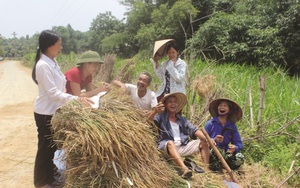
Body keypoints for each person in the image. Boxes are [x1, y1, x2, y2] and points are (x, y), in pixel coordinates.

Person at [32, 30, 93, 188]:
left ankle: (50, 175)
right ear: (49, 46)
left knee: (53, 146)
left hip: (55, 111)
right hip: (46, 113)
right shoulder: (43, 65)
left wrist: (75, 97)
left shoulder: (52, 62)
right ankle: (41, 181)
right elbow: (53, 93)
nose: (61, 47)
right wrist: (76, 99)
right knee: (45, 148)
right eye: (59, 45)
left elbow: (60, 88)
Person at [148, 92, 210, 179]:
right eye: (170, 101)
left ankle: (206, 170)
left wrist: (207, 139)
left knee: (203, 142)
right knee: (170, 143)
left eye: (174, 102)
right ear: (165, 105)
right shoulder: (160, 117)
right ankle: (184, 169)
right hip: (167, 148)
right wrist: (154, 112)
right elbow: (148, 123)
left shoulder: (182, 119)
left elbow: (194, 129)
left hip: (182, 146)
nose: (173, 104)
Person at [204, 98, 245, 171]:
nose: (222, 107)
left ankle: (225, 166)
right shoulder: (210, 124)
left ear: (229, 110)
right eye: (220, 105)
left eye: (225, 106)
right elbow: (202, 141)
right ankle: (216, 167)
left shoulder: (232, 126)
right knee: (218, 152)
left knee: (240, 157)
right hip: (213, 152)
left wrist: (234, 147)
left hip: (225, 152)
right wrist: (214, 140)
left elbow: (239, 143)